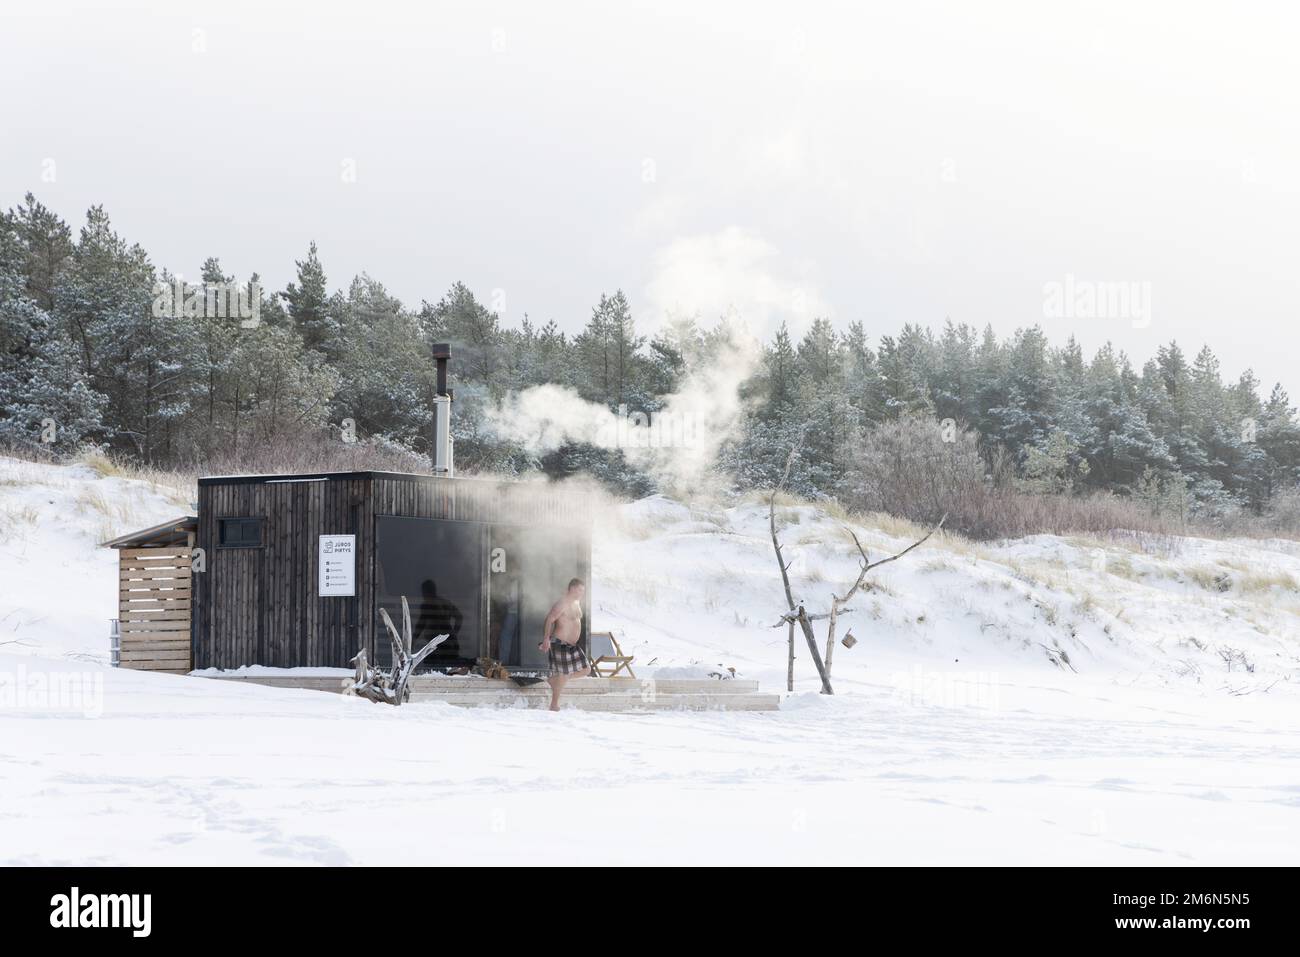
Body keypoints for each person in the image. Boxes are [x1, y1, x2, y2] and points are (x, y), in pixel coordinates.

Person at [539, 577, 588, 711]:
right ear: (571, 588)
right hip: (560, 643)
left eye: (582, 591)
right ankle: (554, 704)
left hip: (572, 646)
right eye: (579, 590)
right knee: (563, 674)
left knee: (586, 669)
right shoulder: (563, 603)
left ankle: (555, 681)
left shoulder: (576, 603)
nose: (581, 593)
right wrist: (546, 639)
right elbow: (550, 619)